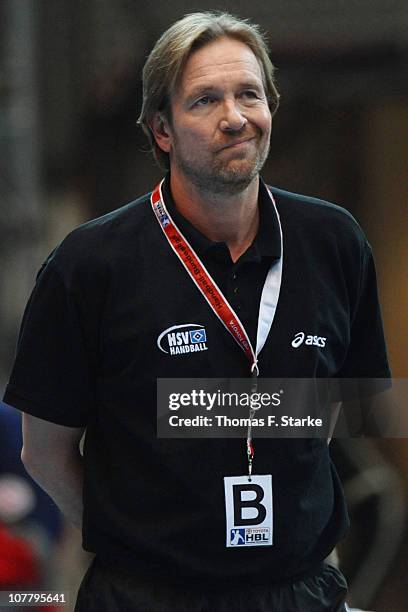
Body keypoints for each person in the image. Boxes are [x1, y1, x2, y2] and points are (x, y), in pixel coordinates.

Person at [3, 11, 390, 612]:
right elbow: (44, 451)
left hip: (301, 592)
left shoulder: (333, 242)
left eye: (249, 95)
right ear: (162, 129)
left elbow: (354, 406)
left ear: (271, 107)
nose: (234, 117)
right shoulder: (90, 265)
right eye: (205, 100)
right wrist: (134, 542)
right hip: (149, 595)